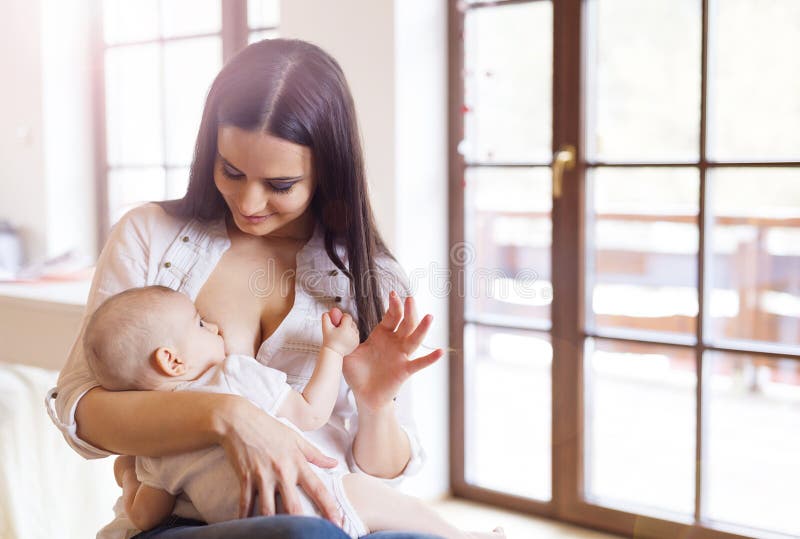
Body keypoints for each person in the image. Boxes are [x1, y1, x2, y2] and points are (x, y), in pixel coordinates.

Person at [46, 38, 446, 539]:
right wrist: (227, 414)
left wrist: (375, 404)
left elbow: (381, 478)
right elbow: (82, 412)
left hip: (338, 506)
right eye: (231, 171)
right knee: (305, 536)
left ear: (327, 172)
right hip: (193, 518)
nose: (248, 201)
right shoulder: (151, 235)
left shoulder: (370, 275)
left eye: (280, 185)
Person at [84, 286, 501, 539]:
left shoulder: (156, 443)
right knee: (386, 503)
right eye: (199, 325)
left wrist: (127, 473)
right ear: (171, 361)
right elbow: (310, 413)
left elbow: (144, 515)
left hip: (251, 526)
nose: (212, 327)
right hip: (316, 500)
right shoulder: (233, 374)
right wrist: (333, 352)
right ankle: (462, 535)